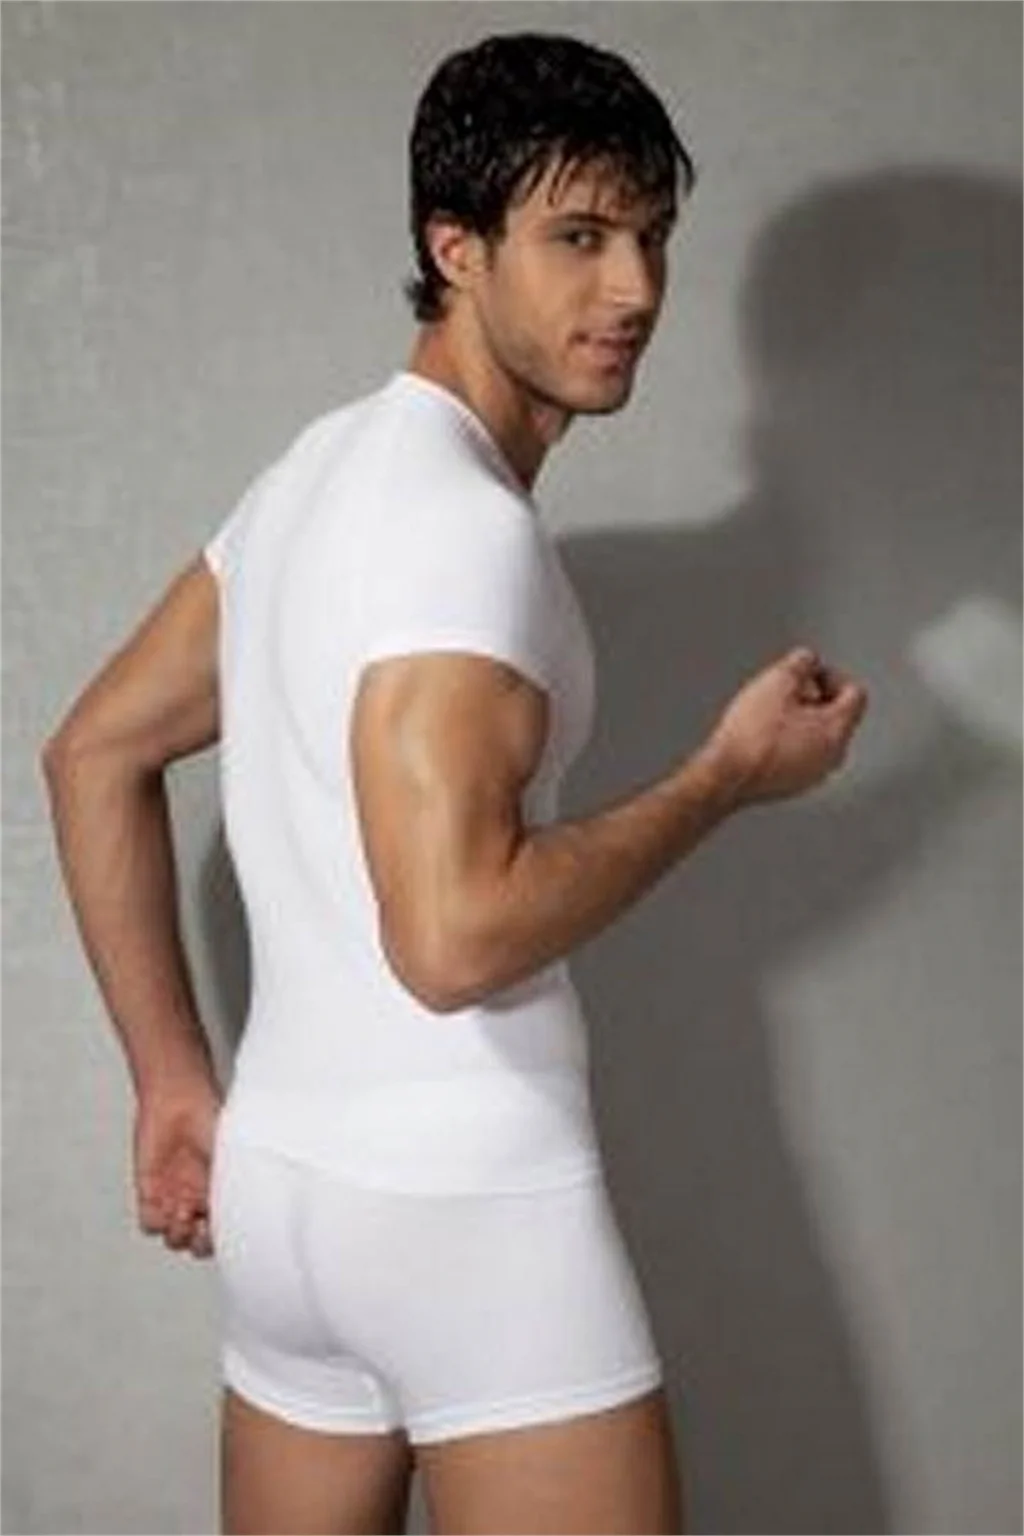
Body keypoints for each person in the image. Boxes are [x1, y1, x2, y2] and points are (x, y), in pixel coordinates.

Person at [41, 30, 869, 1536]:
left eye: (652, 237)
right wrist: (724, 777)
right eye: (579, 237)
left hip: (290, 1199)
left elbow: (91, 749)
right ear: (455, 248)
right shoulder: (458, 528)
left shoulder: (310, 478)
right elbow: (452, 937)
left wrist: (172, 1082)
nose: (635, 289)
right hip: (468, 1206)